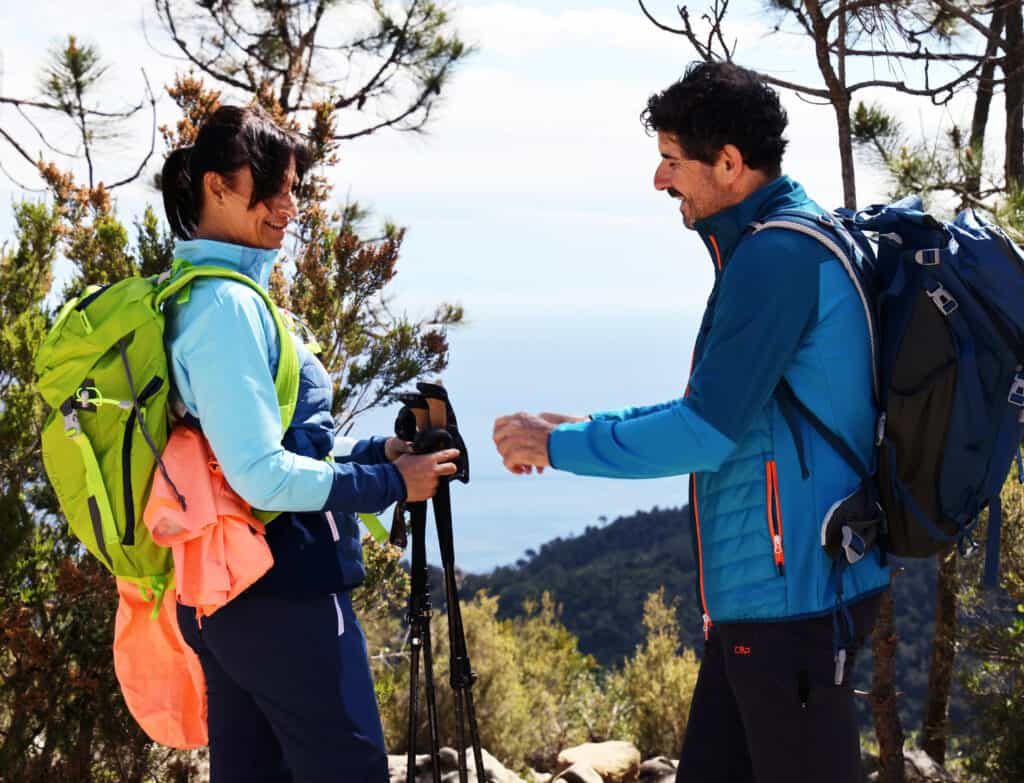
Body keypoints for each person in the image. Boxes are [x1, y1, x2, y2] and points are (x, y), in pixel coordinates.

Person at [492, 62, 890, 783]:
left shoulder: (777, 257)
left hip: (792, 604)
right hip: (769, 600)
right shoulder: (770, 245)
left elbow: (706, 432)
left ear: (730, 164)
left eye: (672, 161)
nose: (659, 180)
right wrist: (589, 423)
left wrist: (561, 444)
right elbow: (723, 407)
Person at [160, 105, 459, 783]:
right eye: (269, 182)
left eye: (295, 185)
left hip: (224, 596)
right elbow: (262, 474)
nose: (288, 204)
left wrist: (378, 453)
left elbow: (273, 442)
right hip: (285, 593)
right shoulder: (228, 307)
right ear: (216, 186)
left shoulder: (197, 296)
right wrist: (389, 486)